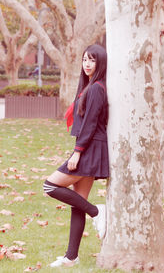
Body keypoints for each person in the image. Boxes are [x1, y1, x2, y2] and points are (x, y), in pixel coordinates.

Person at [43, 44, 109, 268]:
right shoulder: (89, 87)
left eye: (92, 60)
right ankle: (71, 257)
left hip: (90, 148)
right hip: (89, 146)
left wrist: (77, 153)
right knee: (77, 204)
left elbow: (90, 124)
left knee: (49, 186)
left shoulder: (97, 88)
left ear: (100, 63)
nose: (87, 64)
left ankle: (97, 211)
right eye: (85, 60)